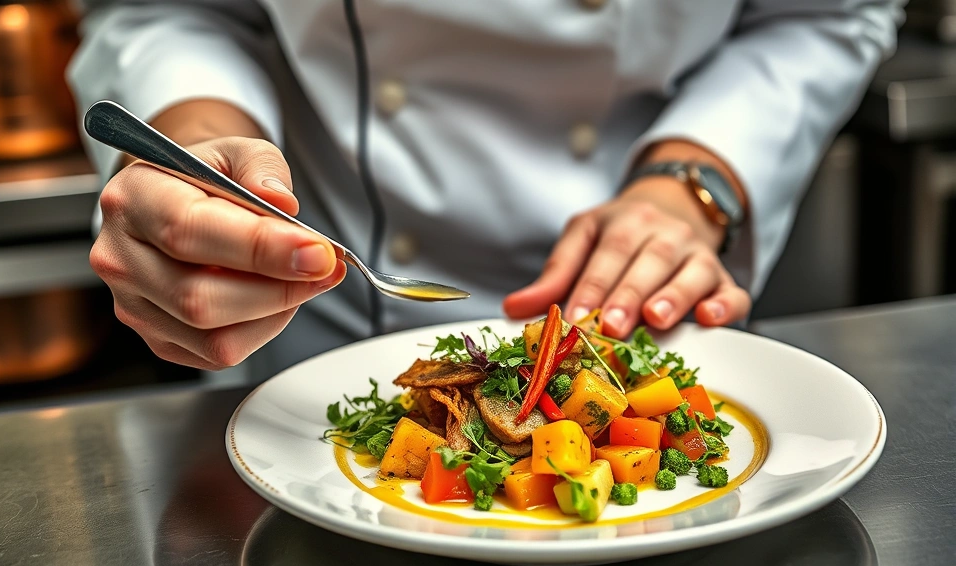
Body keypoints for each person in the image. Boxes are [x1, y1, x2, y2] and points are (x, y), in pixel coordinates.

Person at [70, 1, 903, 377]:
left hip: (645, 308)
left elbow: (826, 13)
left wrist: (685, 185)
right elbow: (167, 10)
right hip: (309, 326)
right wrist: (198, 156)